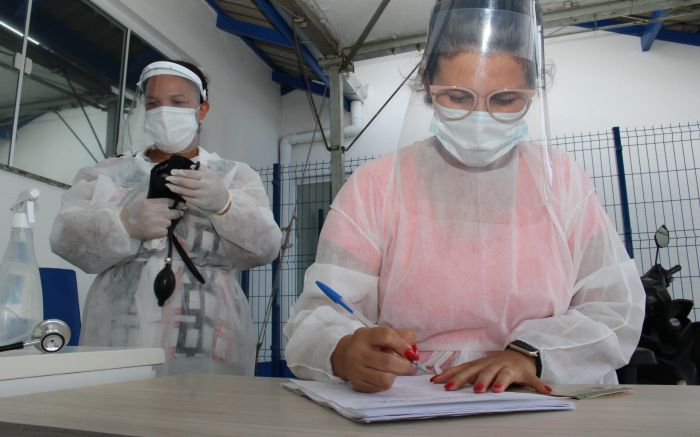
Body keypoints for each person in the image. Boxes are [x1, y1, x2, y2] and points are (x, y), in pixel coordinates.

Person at [284, 0, 645, 393]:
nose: (480, 119)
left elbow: (615, 308)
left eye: (505, 100)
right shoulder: (377, 186)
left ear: (532, 91)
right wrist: (343, 350)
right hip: (411, 398)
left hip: (536, 403)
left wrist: (531, 355)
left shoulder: (563, 182)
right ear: (427, 85)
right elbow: (320, 311)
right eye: (457, 98)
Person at [50, 60, 281, 376]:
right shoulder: (109, 174)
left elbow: (267, 246)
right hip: (118, 334)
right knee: (118, 416)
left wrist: (225, 205)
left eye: (178, 102)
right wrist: (124, 223)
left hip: (208, 336)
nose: (164, 111)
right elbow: (64, 236)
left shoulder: (233, 176)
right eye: (154, 103)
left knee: (203, 418)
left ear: (201, 110)